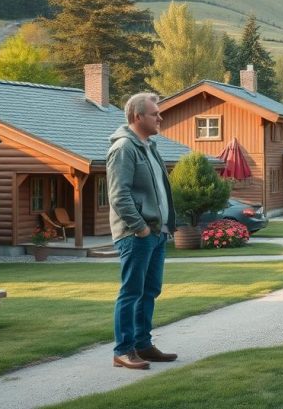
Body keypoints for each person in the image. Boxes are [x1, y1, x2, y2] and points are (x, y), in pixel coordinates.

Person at [107, 92, 178, 370]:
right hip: (137, 235)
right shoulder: (124, 148)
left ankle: (143, 345)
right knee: (131, 292)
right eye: (154, 114)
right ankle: (123, 351)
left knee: (149, 290)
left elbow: (159, 191)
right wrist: (140, 229)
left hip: (157, 233)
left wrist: (164, 228)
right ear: (138, 117)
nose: (160, 117)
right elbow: (118, 195)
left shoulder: (149, 146)